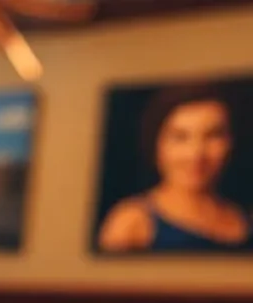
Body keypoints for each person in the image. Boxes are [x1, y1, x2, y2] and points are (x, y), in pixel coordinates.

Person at [97, 83, 252, 253]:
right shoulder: (132, 222)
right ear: (157, 144)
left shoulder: (244, 218)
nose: (196, 154)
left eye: (213, 136)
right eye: (180, 137)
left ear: (231, 143)